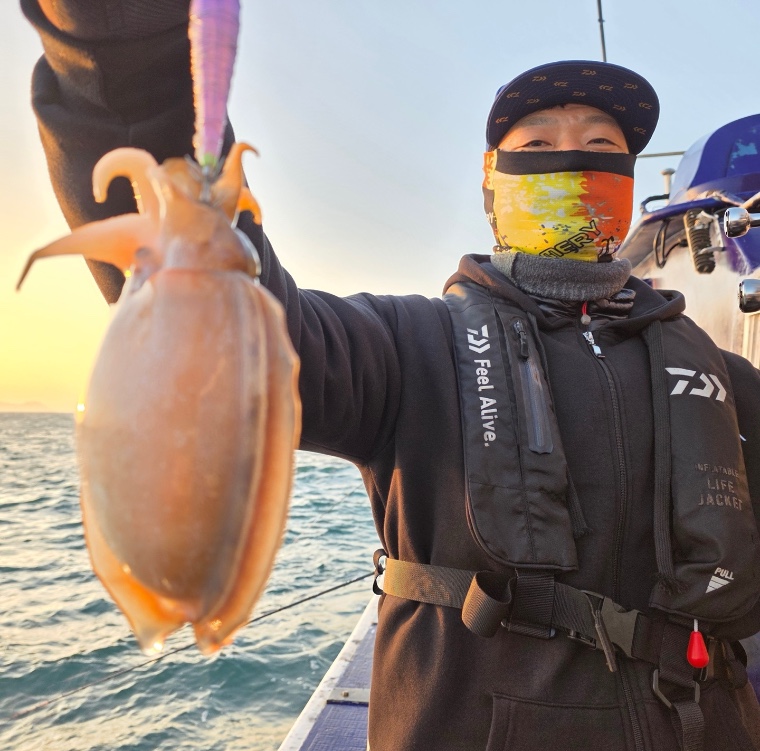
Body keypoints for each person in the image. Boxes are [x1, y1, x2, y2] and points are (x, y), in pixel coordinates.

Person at [20, 1, 760, 749]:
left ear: (629, 181)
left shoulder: (718, 373)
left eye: (600, 145)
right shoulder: (407, 347)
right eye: (538, 144)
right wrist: (117, 31)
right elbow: (224, 308)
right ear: (491, 183)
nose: (571, 161)